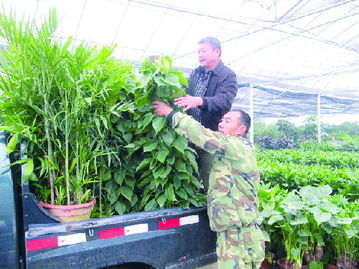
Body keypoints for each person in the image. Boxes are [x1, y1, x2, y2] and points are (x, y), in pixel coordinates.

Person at [152, 100, 267, 269]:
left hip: (235, 228)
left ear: (241, 130)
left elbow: (200, 134)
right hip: (243, 226)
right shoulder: (239, 150)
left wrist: (171, 113)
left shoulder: (234, 145)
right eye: (221, 120)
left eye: (228, 121)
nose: (221, 124)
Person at [174, 37, 238, 193]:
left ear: (217, 51)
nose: (200, 55)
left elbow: (224, 100)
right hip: (190, 135)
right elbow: (184, 92)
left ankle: (216, 213)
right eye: (198, 52)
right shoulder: (196, 73)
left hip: (211, 137)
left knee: (211, 179)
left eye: (203, 51)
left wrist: (200, 100)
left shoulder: (227, 75)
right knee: (188, 178)